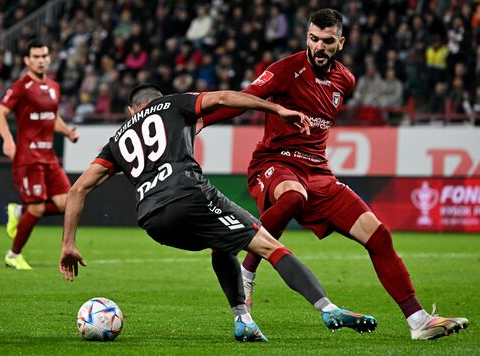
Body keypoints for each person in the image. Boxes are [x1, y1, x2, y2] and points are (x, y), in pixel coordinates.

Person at [201, 8, 468, 340]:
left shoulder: (346, 80)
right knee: (293, 196)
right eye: (313, 39)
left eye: (327, 41)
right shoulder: (285, 70)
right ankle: (247, 274)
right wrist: (201, 120)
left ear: (340, 43)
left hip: (318, 171)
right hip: (275, 162)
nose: (319, 47)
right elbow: (244, 99)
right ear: (307, 38)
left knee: (378, 234)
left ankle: (418, 321)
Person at [59, 83, 377, 342]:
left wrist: (68, 244)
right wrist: (277, 108)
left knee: (221, 244)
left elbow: (77, 190)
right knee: (269, 244)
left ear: (132, 111)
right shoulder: (174, 104)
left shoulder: (117, 140)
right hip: (188, 195)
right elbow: (224, 98)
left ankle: (243, 320)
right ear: (160, 99)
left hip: (153, 220)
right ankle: (328, 308)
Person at [0, 39, 79, 270]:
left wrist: (68, 132)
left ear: (49, 58)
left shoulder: (54, 87)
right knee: (38, 208)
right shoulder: (21, 86)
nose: (41, 60)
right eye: (36, 57)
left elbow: (53, 117)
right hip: (28, 157)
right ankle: (13, 254)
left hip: (49, 156)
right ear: (27, 60)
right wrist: (8, 140)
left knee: (66, 203)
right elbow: (0, 114)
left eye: (44, 56)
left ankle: (19, 210)